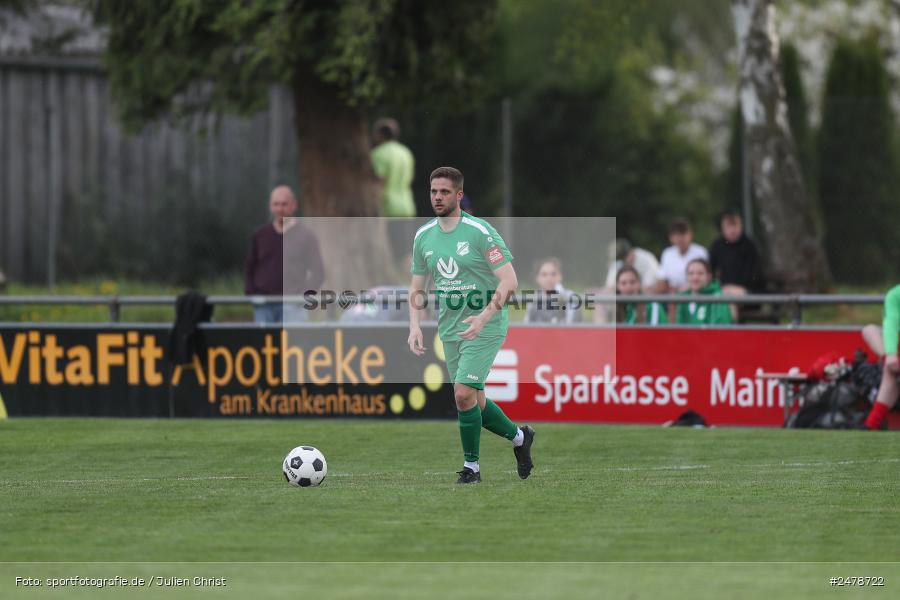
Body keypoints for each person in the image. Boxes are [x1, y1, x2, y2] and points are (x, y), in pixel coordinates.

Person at [408, 166, 535, 484]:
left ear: (459, 195)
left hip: (486, 325)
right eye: (434, 191)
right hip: (451, 328)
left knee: (463, 395)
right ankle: (520, 437)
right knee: (474, 401)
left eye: (445, 192)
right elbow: (417, 288)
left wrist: (483, 316)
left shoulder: (479, 231)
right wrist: (415, 326)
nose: (438, 197)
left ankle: (472, 469)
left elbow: (509, 280)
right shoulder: (423, 236)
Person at [244, 186, 324, 324]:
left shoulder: (306, 236)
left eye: (284, 204)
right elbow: (250, 268)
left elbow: (318, 272)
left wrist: (303, 297)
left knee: (294, 339)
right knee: (263, 339)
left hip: (293, 306)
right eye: (276, 204)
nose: (280, 208)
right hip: (264, 306)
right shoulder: (260, 235)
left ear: (294, 205)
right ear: (270, 206)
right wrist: (252, 295)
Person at [861, 285, 900, 430]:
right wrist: (890, 354)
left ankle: (871, 425)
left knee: (890, 372)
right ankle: (888, 360)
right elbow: (891, 323)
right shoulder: (895, 295)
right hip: (895, 357)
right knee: (869, 330)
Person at [709, 209, 762, 296]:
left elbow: (755, 274)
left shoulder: (750, 246)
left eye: (735, 226)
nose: (732, 230)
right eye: (728, 227)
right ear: (722, 229)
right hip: (722, 289)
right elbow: (711, 269)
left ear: (741, 226)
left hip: (748, 290)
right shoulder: (717, 246)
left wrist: (738, 288)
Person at [371, 118, 416, 218]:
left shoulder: (379, 153)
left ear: (380, 134)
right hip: (407, 207)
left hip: (388, 209)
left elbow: (379, 183)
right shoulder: (405, 152)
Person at [657, 218, 708, 293]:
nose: (680, 238)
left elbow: (705, 278)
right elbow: (662, 278)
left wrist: (681, 291)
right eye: (676, 235)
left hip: (695, 292)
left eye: (683, 234)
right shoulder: (667, 253)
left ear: (690, 235)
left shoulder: (700, 252)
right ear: (670, 237)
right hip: (672, 294)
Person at [524, 257, 582, 324]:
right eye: (544, 274)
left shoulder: (571, 297)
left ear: (560, 276)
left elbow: (571, 326)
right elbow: (526, 326)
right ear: (537, 278)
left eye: (553, 274)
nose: (549, 278)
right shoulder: (534, 300)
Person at [675, 258, 732, 325]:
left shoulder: (718, 297)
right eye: (691, 273)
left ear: (709, 277)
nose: (695, 277)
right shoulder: (682, 298)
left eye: (700, 273)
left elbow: (721, 326)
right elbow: (679, 326)